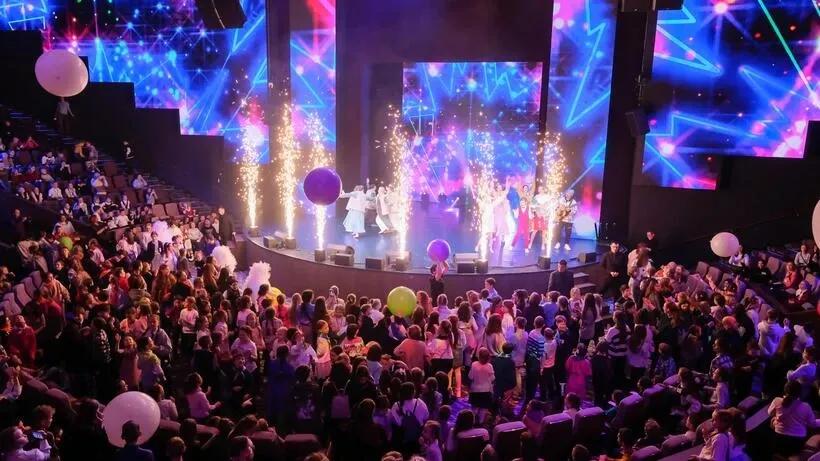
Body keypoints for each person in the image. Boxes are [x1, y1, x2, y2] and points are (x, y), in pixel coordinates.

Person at [768, 381, 820, 456]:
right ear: (800, 392)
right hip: (796, 443)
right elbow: (813, 424)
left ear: (785, 390)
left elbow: (770, 413)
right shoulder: (806, 406)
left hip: (778, 439)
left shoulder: (777, 401)